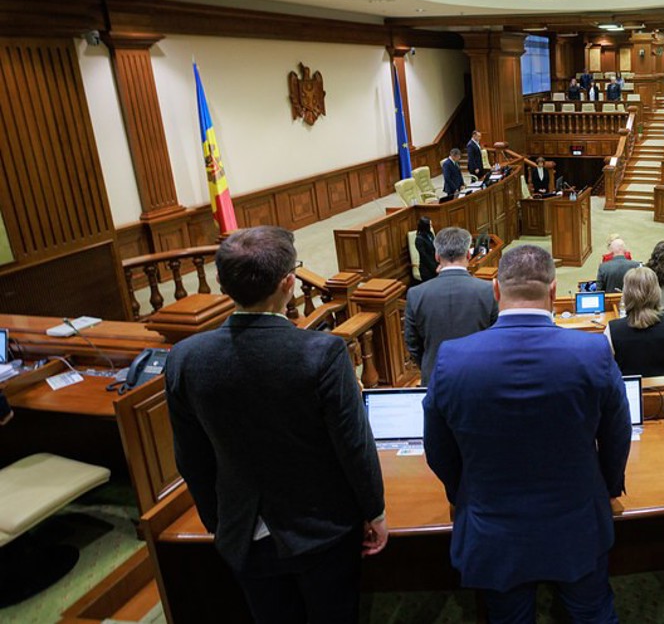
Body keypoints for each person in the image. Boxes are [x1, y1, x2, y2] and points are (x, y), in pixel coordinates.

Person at [166, 227, 386, 623]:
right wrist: (375, 511)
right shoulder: (322, 353)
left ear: (222, 283)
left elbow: (191, 459)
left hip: (244, 535)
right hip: (324, 531)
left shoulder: (185, 358)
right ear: (288, 283)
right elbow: (353, 446)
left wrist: (222, 525)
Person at [424, 245, 631, 622]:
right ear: (553, 292)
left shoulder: (452, 358)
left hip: (494, 527)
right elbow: (617, 434)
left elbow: (438, 450)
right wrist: (608, 486)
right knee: (591, 613)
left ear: (496, 291)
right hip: (576, 521)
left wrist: (466, 494)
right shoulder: (592, 351)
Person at [404, 227, 499, 384]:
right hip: (478, 378)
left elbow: (413, 344)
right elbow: (497, 339)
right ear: (468, 255)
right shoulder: (489, 291)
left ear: (437, 256)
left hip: (436, 377)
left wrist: (429, 365)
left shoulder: (416, 294)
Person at [603, 266, 664, 377]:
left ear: (626, 295)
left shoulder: (611, 330)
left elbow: (607, 375)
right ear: (657, 292)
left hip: (629, 393)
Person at [414, 216, 438, 282]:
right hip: (427, 270)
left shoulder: (430, 234)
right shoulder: (419, 239)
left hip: (435, 264)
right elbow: (425, 257)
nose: (431, 226)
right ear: (425, 226)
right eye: (430, 225)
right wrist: (435, 268)